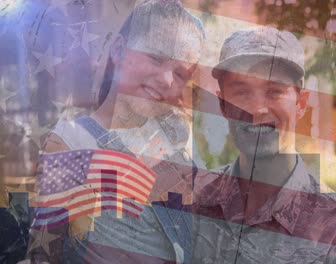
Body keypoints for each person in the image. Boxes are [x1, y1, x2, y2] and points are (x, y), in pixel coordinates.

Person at [27, 1, 205, 263]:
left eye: (180, 73)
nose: (168, 80)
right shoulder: (72, 142)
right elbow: (44, 253)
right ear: (119, 49)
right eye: (156, 57)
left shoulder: (175, 150)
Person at [192, 26, 336, 263]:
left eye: (274, 92)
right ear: (223, 105)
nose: (257, 109)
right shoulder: (189, 203)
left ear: (301, 103)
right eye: (241, 92)